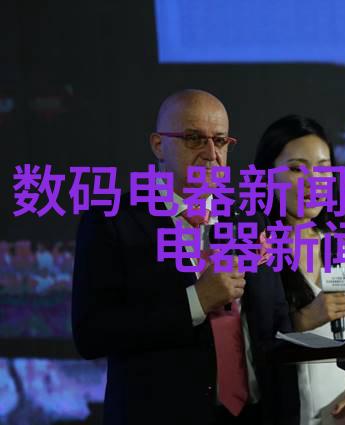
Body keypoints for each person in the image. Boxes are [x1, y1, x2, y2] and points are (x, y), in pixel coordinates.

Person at [72, 89, 299, 425]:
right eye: (194, 138)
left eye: (220, 141)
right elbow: (91, 334)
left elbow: (275, 323)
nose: (211, 154)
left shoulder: (250, 219)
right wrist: (196, 301)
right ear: (158, 145)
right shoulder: (113, 221)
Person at [254, 115, 345, 425]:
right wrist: (304, 320)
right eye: (296, 169)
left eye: (323, 168)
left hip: (343, 414)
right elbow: (247, 345)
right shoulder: (256, 248)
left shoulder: (340, 246)